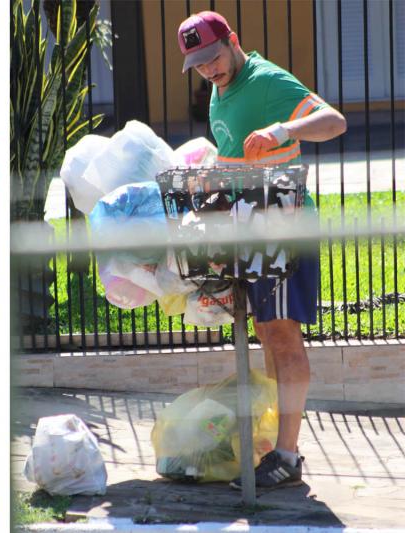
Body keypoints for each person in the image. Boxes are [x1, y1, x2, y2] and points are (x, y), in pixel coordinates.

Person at [177, 11, 346, 489]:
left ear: (233, 40)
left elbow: (334, 121)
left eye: (213, 58)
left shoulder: (267, 80)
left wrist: (284, 130)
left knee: (284, 338)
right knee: (268, 335)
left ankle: (288, 457)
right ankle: (277, 444)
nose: (209, 70)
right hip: (252, 226)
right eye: (199, 64)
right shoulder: (219, 86)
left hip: (285, 227)